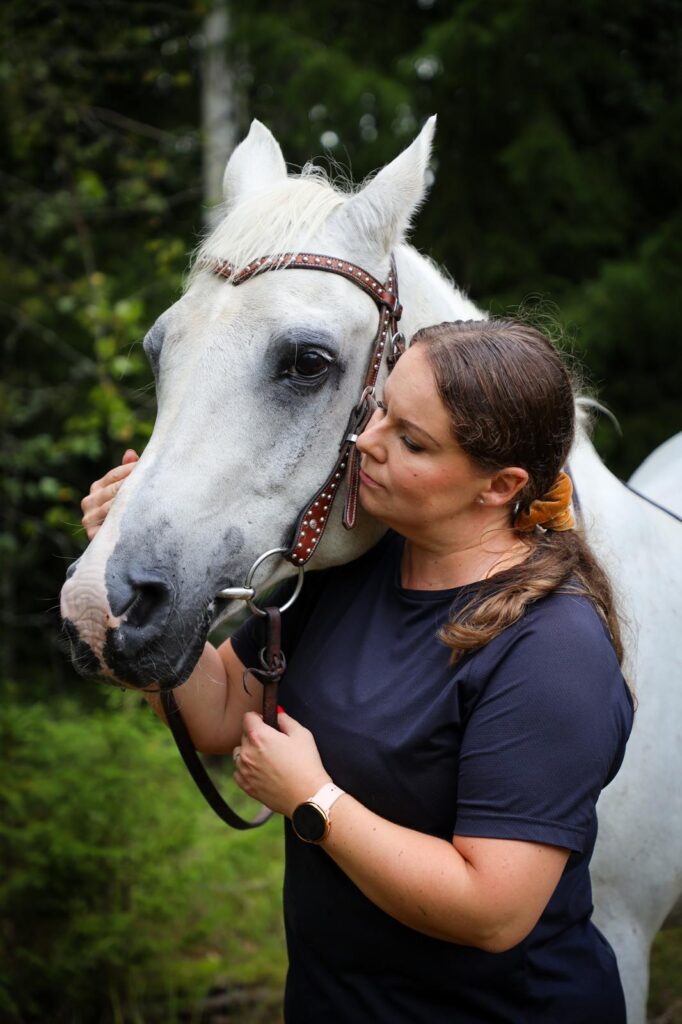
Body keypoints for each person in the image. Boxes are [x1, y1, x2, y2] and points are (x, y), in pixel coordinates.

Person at [82, 319, 634, 1024]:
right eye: (380, 411)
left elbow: (493, 911)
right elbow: (218, 712)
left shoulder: (551, 650)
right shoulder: (352, 563)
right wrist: (135, 569)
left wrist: (316, 801)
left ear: (499, 486)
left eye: (411, 441)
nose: (366, 443)